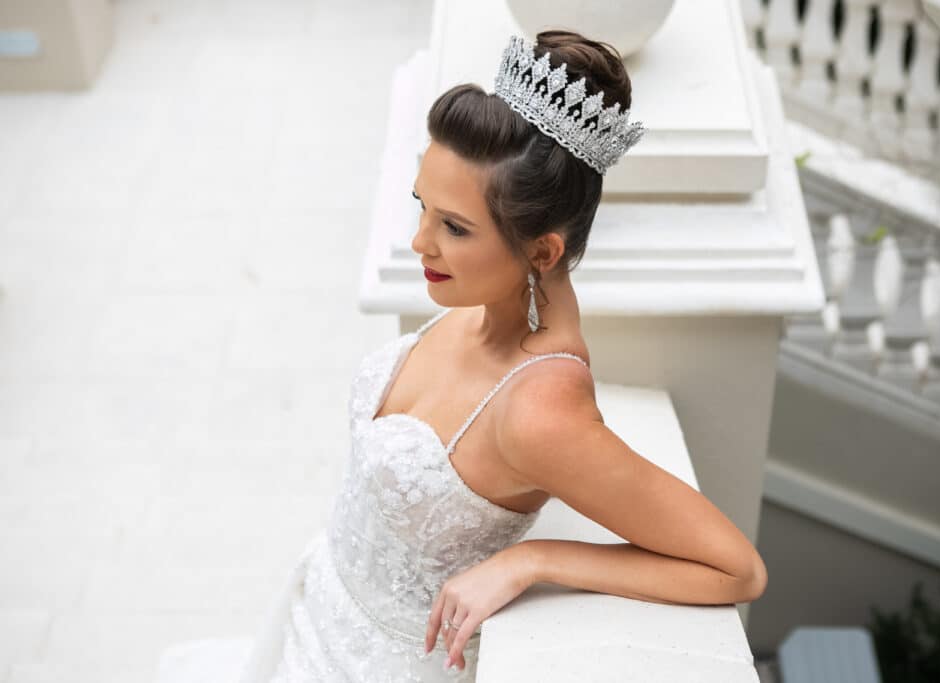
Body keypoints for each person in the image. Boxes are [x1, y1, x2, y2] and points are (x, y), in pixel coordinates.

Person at [156, 29, 767, 683]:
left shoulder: (540, 413)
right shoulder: (487, 303)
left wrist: (532, 560)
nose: (420, 242)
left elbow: (736, 567)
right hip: (318, 612)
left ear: (543, 253)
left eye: (454, 226)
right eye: (424, 207)